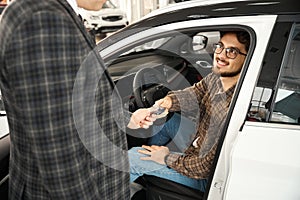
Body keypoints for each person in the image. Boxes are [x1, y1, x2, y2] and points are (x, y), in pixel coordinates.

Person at [0, 0, 154, 199]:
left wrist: (127, 119)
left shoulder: (51, 13)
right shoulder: (42, 21)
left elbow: (78, 101)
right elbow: (59, 155)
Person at [129, 31, 251, 192]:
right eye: (220, 46)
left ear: (247, 57)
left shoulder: (231, 108)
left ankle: (142, 165)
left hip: (203, 177)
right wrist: (165, 103)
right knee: (167, 120)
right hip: (199, 143)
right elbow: (194, 93)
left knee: (132, 158)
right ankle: (149, 170)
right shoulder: (217, 78)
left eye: (232, 51)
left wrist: (166, 157)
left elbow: (203, 167)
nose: (221, 55)